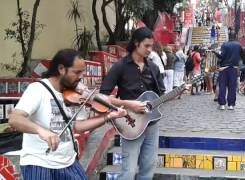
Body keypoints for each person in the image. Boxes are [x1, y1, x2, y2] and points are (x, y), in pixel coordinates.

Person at [8, 49, 127, 179]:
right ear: (61, 69)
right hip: (40, 164)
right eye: (76, 72)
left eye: (82, 72)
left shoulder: (72, 94)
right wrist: (41, 130)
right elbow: (14, 118)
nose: (81, 77)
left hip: (68, 162)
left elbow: (77, 127)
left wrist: (107, 117)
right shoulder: (37, 89)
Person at [99, 27, 165, 180]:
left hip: (151, 124)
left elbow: (160, 94)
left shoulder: (153, 68)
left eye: (151, 46)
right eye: (146, 46)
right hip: (130, 124)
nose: (150, 50)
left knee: (148, 169)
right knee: (128, 172)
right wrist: (128, 104)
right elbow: (102, 96)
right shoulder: (120, 66)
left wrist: (178, 91)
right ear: (136, 43)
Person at [213, 31, 244, 110]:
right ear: (235, 36)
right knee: (232, 87)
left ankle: (222, 104)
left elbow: (221, 56)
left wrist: (215, 53)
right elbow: (242, 56)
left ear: (228, 36)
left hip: (224, 68)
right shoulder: (239, 45)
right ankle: (231, 105)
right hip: (234, 68)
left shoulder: (225, 45)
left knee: (222, 86)